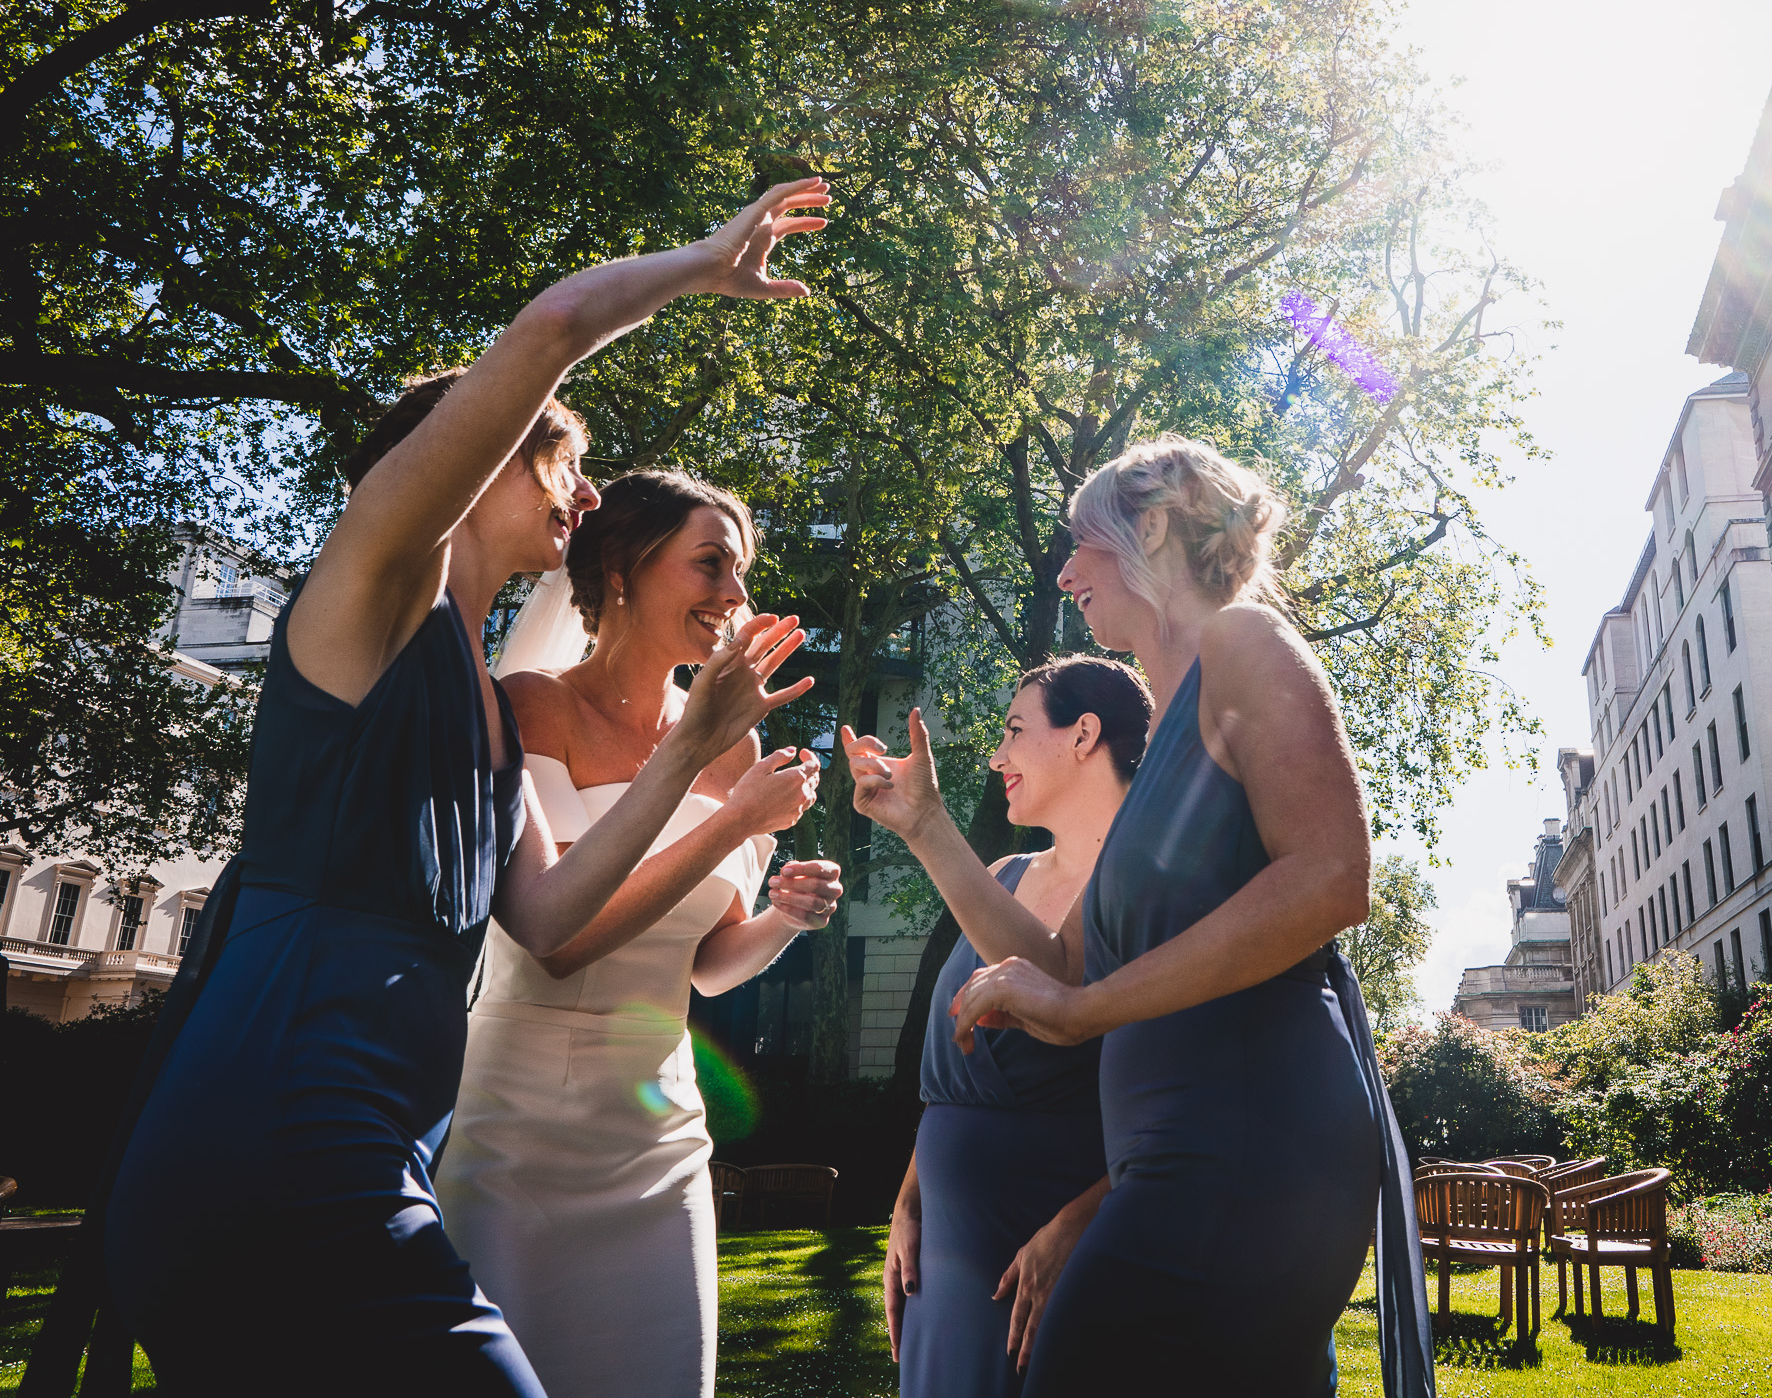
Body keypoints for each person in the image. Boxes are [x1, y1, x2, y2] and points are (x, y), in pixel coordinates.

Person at [100, 177, 833, 1396]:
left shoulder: (484, 704)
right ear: (480, 456)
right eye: (566, 457)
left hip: (380, 1133)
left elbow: (549, 921)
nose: (585, 494)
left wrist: (694, 748)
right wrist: (704, 263)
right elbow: (546, 331)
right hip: (284, 1102)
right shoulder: (378, 596)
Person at [938, 436, 1435, 1398]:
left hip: (1250, 1142)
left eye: (1082, 542)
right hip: (1172, 1156)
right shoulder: (1164, 728)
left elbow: (1333, 874)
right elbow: (1066, 964)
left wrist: (1086, 1012)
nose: (1065, 570)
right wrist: (924, 826)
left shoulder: (1242, 644)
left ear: (1153, 526)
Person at [435, 469, 843, 1398]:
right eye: (711, 565)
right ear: (623, 567)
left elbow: (707, 968)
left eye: (738, 574)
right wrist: (732, 822)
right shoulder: (530, 706)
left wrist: (784, 915)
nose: (735, 597)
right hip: (516, 1132)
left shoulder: (733, 747)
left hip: (659, 1141)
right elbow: (558, 935)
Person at [842, 657, 1153, 1397]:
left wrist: (1083, 1217)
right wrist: (911, 1196)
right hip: (943, 1263)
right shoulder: (1006, 872)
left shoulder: (1147, 884)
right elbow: (955, 1071)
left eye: (1015, 729)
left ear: (1084, 735)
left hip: (1052, 1255)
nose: (996, 754)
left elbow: (1193, 1089)